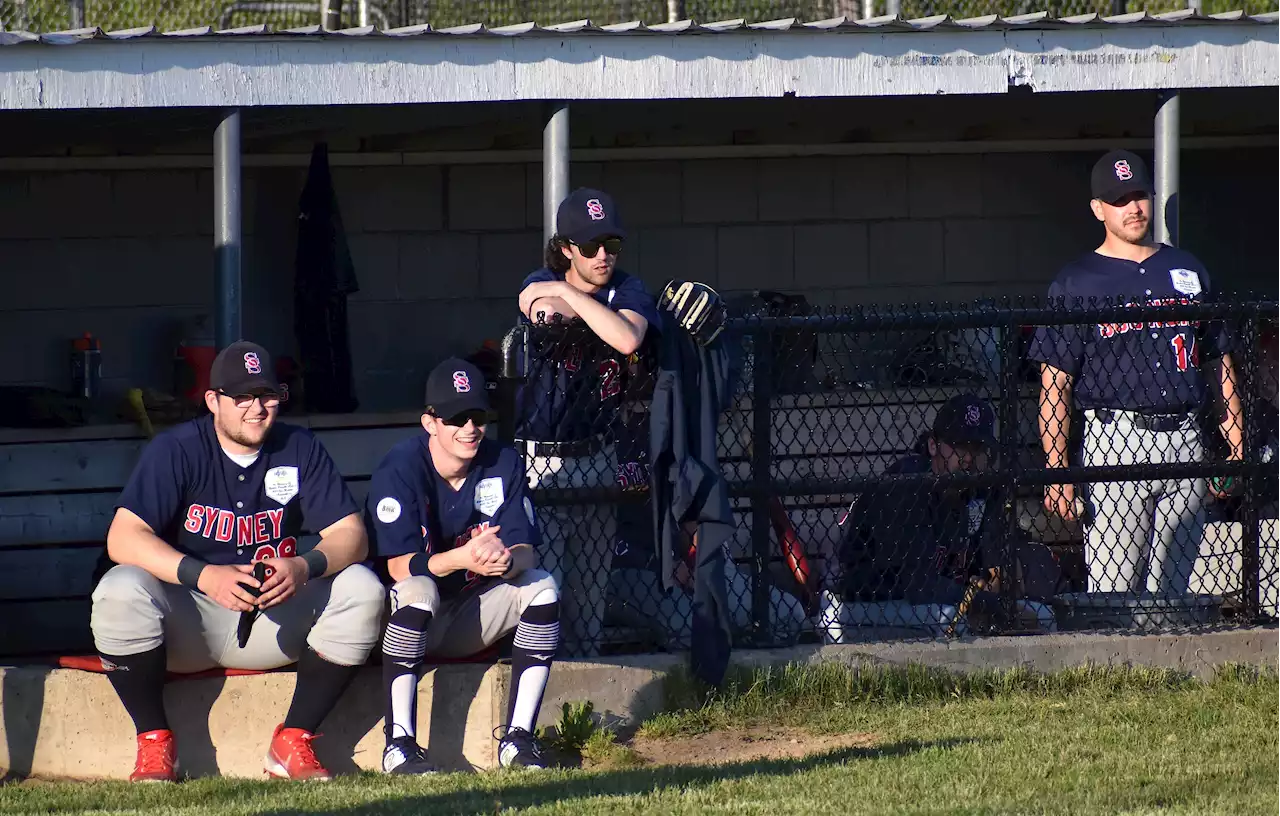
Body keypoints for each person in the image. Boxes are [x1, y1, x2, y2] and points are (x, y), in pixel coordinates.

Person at [90, 341, 385, 783]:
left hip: (274, 617)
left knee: (362, 586)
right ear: (213, 401)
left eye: (267, 394)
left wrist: (305, 566)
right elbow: (123, 537)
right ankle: (154, 743)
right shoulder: (178, 449)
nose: (257, 407)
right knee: (120, 588)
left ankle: (294, 740)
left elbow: (352, 536)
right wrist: (203, 574)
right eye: (242, 396)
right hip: (190, 617)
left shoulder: (298, 446)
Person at [1029, 149, 1243, 596]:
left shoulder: (1187, 269)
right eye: (1119, 198)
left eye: (1139, 195)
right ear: (1097, 209)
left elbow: (1218, 362)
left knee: (1175, 590)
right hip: (1114, 438)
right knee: (1113, 591)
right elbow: (1056, 381)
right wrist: (1057, 467)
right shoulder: (1077, 281)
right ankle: (1111, 667)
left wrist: (1236, 442)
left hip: (1185, 436)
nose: (1133, 207)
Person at [367, 358, 559, 773]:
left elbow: (527, 550)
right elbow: (399, 567)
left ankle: (519, 741)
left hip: (469, 615)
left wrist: (507, 562)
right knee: (420, 588)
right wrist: (462, 558)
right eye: (456, 418)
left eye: (476, 416)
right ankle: (398, 744)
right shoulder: (400, 467)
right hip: (404, 621)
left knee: (541, 584)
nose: (469, 428)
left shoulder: (501, 461)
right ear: (430, 422)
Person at [515, 187, 660, 656]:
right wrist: (560, 292)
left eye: (611, 245)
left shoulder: (629, 287)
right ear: (564, 249)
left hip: (598, 456)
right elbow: (540, 310)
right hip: (543, 463)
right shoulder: (541, 278)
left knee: (590, 601)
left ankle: (587, 701)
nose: (602, 256)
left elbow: (626, 338)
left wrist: (566, 294)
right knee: (547, 592)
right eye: (590, 246)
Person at [837, 394, 1061, 631]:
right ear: (933, 445)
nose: (967, 458)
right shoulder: (906, 485)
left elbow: (999, 566)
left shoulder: (984, 488)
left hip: (946, 601)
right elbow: (920, 587)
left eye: (977, 448)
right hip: (874, 605)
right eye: (958, 446)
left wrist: (1000, 584)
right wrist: (991, 603)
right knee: (955, 619)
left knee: (1044, 616)